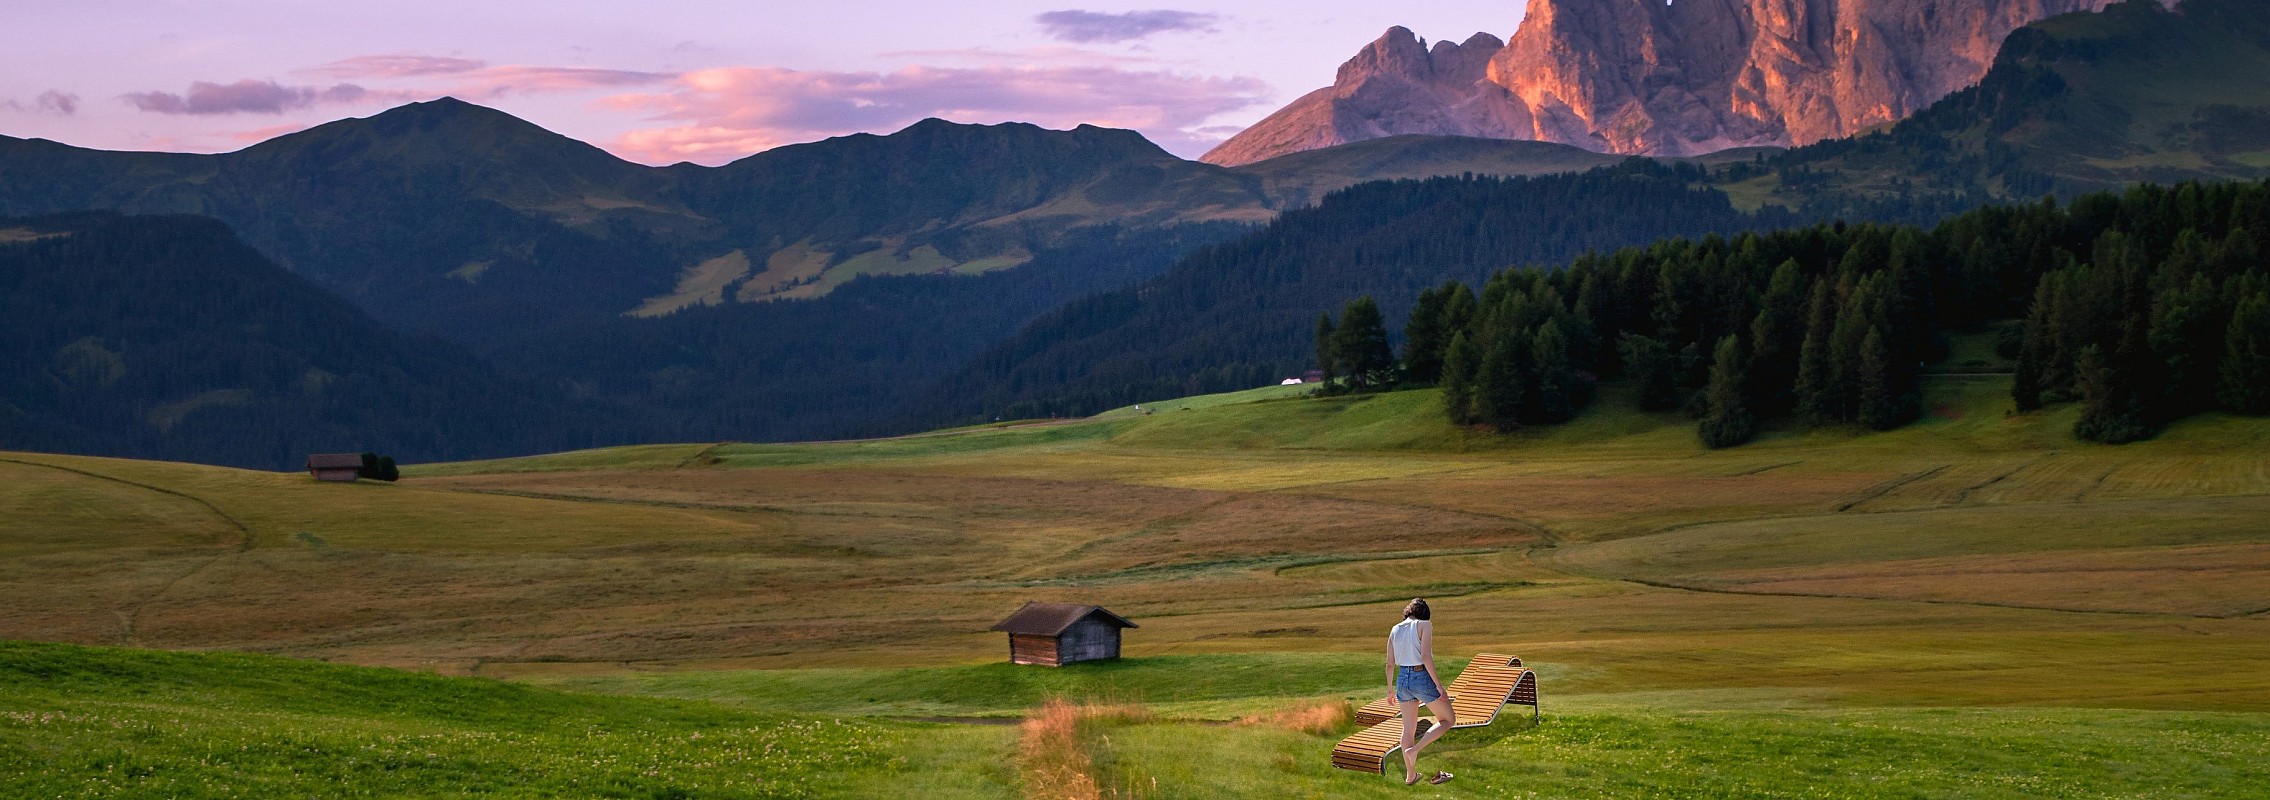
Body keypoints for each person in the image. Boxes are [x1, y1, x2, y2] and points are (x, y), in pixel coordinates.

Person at [1385, 597, 1454, 785]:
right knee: (1448, 719)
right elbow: (1425, 656)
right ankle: (1415, 750)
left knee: (1408, 730)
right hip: (1420, 676)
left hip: (1402, 679)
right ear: (1424, 614)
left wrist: (1390, 690)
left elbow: (1389, 664)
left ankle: (1411, 775)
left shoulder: (1395, 629)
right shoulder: (1425, 625)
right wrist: (1438, 685)